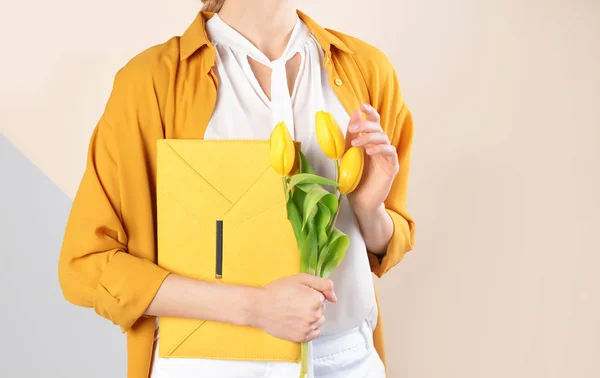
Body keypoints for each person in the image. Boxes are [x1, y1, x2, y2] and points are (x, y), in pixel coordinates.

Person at [58, 0, 415, 377]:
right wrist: (255, 307)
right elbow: (89, 265)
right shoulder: (150, 83)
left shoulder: (367, 69)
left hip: (347, 360)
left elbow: (387, 244)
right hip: (208, 363)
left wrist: (368, 209)